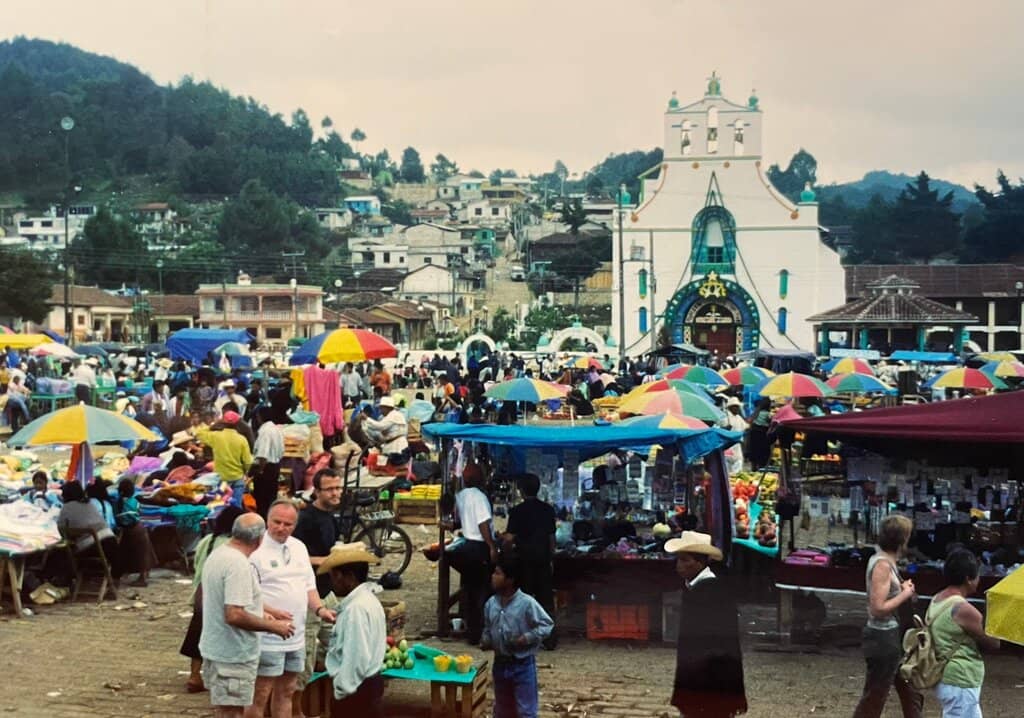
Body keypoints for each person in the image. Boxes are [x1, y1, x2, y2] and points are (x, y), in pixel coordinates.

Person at [246, 501, 337, 718]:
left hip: (296, 635)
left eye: (288, 524)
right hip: (267, 636)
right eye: (277, 522)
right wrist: (267, 613)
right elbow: (248, 593)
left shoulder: (298, 547)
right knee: (260, 693)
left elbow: (309, 586)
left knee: (287, 690)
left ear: (295, 525)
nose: (281, 528)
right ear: (267, 520)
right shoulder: (255, 550)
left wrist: (320, 609)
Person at [199, 513, 295, 718]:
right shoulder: (238, 565)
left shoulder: (219, 554)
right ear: (260, 539)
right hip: (232, 654)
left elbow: (233, 601)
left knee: (228, 709)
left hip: (219, 649)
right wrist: (274, 627)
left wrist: (264, 612)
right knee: (233, 712)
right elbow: (234, 614)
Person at [666, 531, 746, 717]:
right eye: (678, 559)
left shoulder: (710, 591)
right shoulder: (694, 587)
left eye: (685, 560)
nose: (679, 565)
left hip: (710, 677)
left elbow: (715, 643)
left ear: (700, 563)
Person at [852, 514, 922, 718]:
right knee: (875, 696)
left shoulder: (886, 562)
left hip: (892, 635)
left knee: (910, 689)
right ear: (902, 540)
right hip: (883, 637)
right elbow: (878, 607)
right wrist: (905, 593)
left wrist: (902, 588)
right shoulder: (882, 564)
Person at [180, 505, 245, 694]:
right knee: (221, 635)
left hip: (201, 595)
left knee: (198, 632)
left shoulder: (207, 541)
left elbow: (196, 565)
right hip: (221, 597)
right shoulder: (233, 547)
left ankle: (194, 674)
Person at [927, 549, 999, 718]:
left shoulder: (938, 598)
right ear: (968, 578)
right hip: (960, 679)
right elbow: (994, 642)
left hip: (947, 676)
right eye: (977, 576)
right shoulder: (962, 609)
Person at [481, 557, 554, 718]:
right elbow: (487, 627)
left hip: (522, 665)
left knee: (526, 711)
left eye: (498, 573)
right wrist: (486, 639)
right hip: (500, 664)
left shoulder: (527, 603)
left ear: (510, 580)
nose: (493, 576)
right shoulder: (491, 604)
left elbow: (546, 625)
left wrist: (526, 638)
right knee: (502, 710)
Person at [320, 543, 387, 717]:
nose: (333, 582)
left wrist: (342, 690)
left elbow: (356, 657)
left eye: (335, 576)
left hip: (357, 691)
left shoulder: (355, 609)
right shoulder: (369, 600)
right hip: (367, 685)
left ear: (348, 577)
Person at [502, 473, 557, 649]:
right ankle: (550, 639)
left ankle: (524, 638)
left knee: (524, 600)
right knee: (545, 601)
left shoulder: (517, 511)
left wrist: (504, 548)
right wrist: (551, 557)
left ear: (521, 491)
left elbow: (509, 538)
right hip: (542, 559)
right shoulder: (548, 510)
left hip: (524, 560)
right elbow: (551, 538)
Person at [451, 462, 498, 645]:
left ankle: (472, 631)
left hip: (466, 546)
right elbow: (483, 524)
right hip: (479, 547)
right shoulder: (479, 497)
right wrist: (492, 545)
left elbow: (459, 520)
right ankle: (481, 633)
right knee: (483, 591)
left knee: (469, 590)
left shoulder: (461, 495)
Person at [292, 468, 345, 599]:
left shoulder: (330, 516)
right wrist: (323, 561)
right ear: (317, 492)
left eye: (338, 488)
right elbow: (290, 556)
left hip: (328, 583)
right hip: (310, 587)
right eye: (329, 489)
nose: (335, 493)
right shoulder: (305, 519)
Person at [195, 411, 253, 508]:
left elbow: (199, 433)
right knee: (236, 507)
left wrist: (214, 424)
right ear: (237, 424)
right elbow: (248, 461)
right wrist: (245, 472)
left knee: (220, 507)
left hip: (222, 479)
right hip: (237, 478)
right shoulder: (242, 439)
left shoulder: (216, 436)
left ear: (222, 423)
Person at [113, 477, 158, 587]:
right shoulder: (135, 501)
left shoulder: (117, 503)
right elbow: (138, 512)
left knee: (129, 553)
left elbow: (117, 518)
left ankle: (126, 577)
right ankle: (143, 577)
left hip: (126, 530)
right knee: (143, 553)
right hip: (138, 528)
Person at [250, 407, 285, 519]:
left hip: (265, 469)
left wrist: (256, 471)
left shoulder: (265, 431)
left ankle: (263, 523)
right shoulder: (276, 429)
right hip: (275, 467)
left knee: (262, 501)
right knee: (271, 498)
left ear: (260, 417)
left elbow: (262, 456)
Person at [362, 395, 409, 465]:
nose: (380, 411)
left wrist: (366, 418)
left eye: (381, 408)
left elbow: (380, 426)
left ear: (387, 407)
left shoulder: (394, 415)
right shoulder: (390, 416)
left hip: (397, 446)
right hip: (392, 445)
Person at [720, 397, 748, 476]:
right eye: (735, 406)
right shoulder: (724, 417)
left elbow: (745, 427)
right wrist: (725, 429)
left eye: (737, 406)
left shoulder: (738, 418)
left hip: (737, 448)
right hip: (728, 448)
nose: (737, 408)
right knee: (727, 472)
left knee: (737, 473)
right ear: (730, 407)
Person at [746, 397, 772, 469]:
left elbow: (750, 421)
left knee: (754, 451)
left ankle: (753, 467)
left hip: (754, 433)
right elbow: (771, 423)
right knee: (762, 452)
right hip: (763, 434)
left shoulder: (756, 412)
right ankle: (761, 467)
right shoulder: (768, 414)